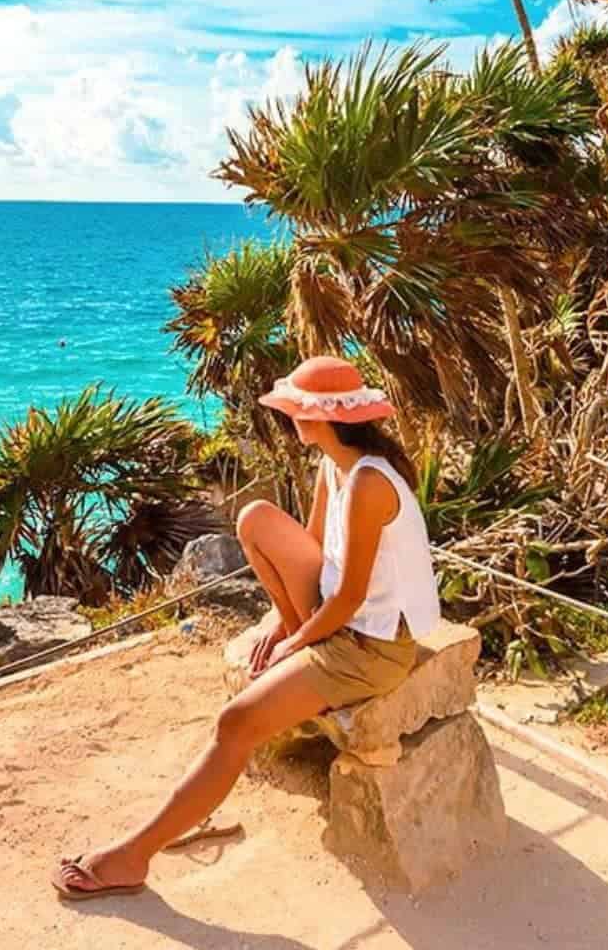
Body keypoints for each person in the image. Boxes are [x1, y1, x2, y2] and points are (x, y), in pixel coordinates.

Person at [52, 354, 442, 901]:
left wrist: (297, 642)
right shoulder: (335, 466)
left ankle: (131, 859)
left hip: (370, 646)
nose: (290, 417)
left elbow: (352, 595)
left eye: (298, 409)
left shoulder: (370, 483)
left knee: (236, 723)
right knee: (255, 516)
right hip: (338, 619)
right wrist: (282, 619)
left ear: (324, 417)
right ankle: (148, 841)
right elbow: (312, 548)